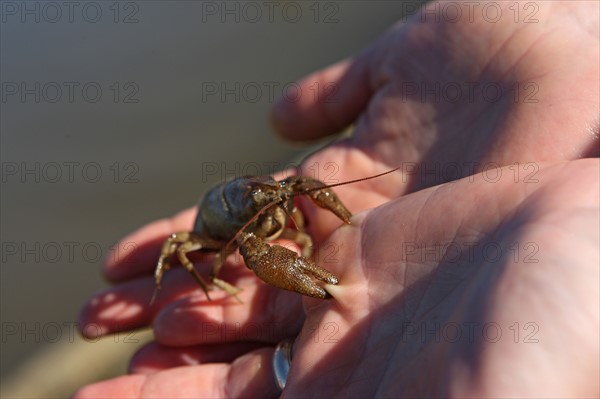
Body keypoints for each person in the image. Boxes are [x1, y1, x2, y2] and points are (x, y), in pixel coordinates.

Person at [75, 1, 599, 397]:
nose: (279, 202)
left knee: (294, 191)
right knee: (175, 247)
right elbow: (190, 246)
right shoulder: (221, 235)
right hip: (217, 232)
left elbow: (298, 195)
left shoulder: (271, 198)